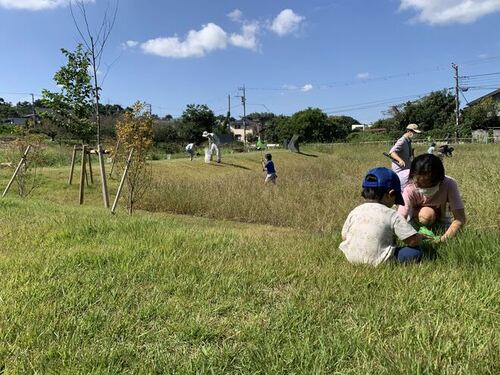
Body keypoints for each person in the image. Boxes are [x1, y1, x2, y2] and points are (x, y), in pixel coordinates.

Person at [339, 167, 424, 265]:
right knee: (416, 251)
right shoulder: (392, 214)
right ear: (390, 194)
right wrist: (420, 237)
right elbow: (412, 241)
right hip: (379, 261)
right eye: (395, 199)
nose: (394, 203)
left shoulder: (356, 211)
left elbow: (344, 236)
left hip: (352, 259)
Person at [398, 154, 465, 242]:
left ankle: (435, 228)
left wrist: (443, 240)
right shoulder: (410, 188)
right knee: (426, 214)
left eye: (430, 185)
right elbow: (400, 218)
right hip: (415, 219)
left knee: (430, 217)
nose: (424, 189)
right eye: (419, 184)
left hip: (440, 218)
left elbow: (460, 218)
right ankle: (419, 227)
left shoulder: (449, 184)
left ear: (440, 179)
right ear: (413, 178)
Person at [388, 123, 422, 190]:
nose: (415, 135)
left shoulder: (408, 141)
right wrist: (400, 160)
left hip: (406, 170)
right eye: (414, 132)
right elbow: (392, 152)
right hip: (400, 171)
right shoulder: (402, 140)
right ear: (408, 131)